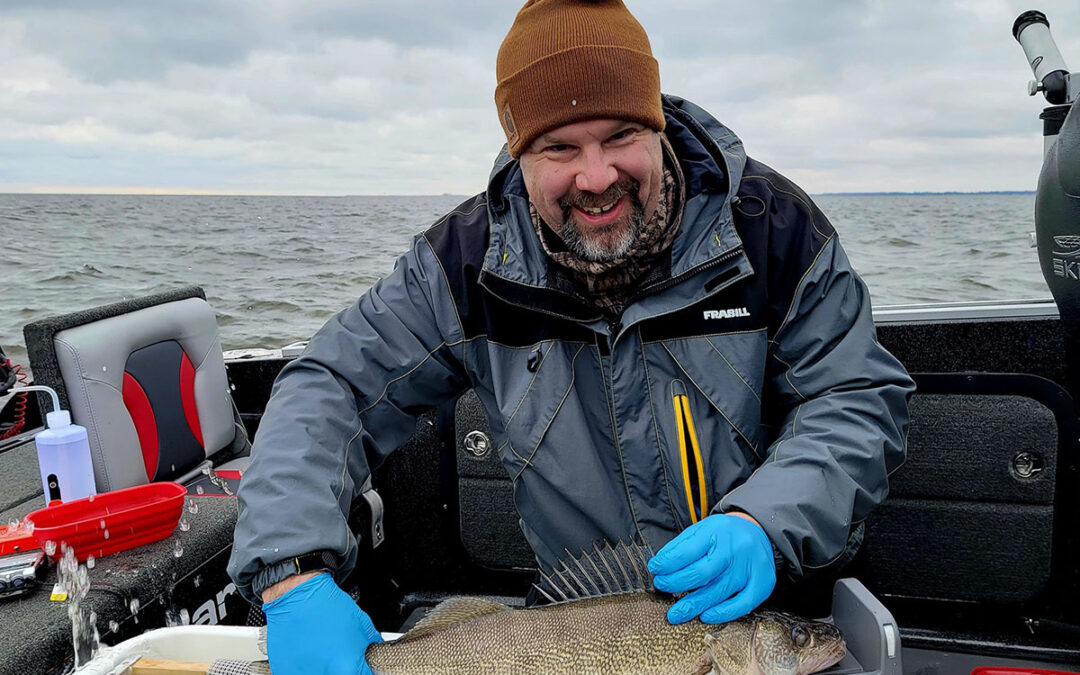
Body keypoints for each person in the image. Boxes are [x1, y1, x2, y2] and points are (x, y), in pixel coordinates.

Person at [228, 0, 915, 672]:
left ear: (658, 127)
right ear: (520, 153)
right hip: (573, 636)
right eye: (560, 147)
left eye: (620, 135)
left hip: (766, 603)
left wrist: (766, 521)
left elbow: (856, 396)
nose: (596, 176)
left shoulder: (773, 231)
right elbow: (330, 385)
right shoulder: (461, 265)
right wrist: (292, 575)